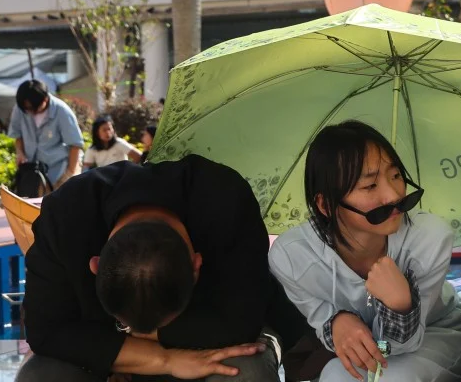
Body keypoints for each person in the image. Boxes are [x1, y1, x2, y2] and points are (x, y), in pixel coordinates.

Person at [17, 155, 310, 382]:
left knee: (246, 370)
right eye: (126, 324)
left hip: (213, 336)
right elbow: (45, 331)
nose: (138, 331)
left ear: (197, 266)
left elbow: (239, 323)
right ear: (94, 264)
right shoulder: (65, 216)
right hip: (113, 343)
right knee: (39, 376)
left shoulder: (225, 199)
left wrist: (126, 339)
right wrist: (164, 360)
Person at [269, 121, 461, 382]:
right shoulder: (292, 258)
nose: (393, 196)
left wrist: (400, 306)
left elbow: (399, 346)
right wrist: (336, 323)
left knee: (393, 378)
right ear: (326, 205)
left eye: (395, 175)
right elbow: (323, 324)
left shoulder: (429, 239)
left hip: (436, 331)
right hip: (369, 345)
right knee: (334, 375)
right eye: (370, 185)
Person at [8, 80, 84, 189]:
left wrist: (69, 174)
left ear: (45, 99)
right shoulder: (20, 109)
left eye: (34, 108)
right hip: (33, 171)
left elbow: (75, 145)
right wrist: (20, 153)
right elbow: (18, 135)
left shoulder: (62, 111)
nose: (31, 112)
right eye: (28, 109)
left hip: (60, 169)